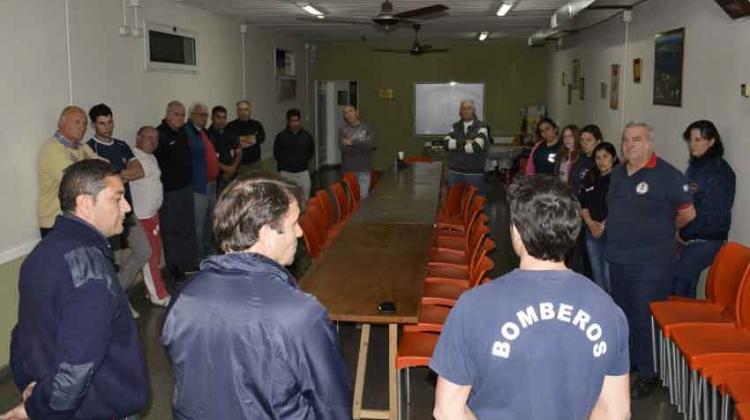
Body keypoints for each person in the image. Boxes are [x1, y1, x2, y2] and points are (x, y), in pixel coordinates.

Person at [430, 175, 630, 420]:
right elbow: (615, 411)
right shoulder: (608, 311)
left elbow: (447, 410)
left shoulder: (473, 306)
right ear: (574, 231)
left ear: (516, 232)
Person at [162, 175, 352, 419]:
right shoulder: (300, 313)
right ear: (266, 233)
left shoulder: (184, 298)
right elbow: (333, 406)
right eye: (294, 223)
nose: (300, 232)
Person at [4, 160, 148, 420]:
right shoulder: (89, 270)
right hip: (93, 408)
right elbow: (78, 363)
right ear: (85, 203)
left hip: (52, 395)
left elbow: (23, 332)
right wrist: (37, 407)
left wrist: (31, 385)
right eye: (118, 198)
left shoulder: (42, 252)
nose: (127, 207)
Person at [606, 122, 696, 399]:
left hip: (651, 262)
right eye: (625, 140)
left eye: (636, 140)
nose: (628, 145)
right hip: (619, 258)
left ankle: (649, 374)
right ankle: (629, 362)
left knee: (644, 317)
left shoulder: (668, 175)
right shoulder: (618, 173)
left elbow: (687, 214)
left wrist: (663, 231)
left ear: (649, 144)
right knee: (623, 315)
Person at [86, 104, 150, 315]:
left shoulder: (122, 145)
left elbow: (139, 171)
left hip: (127, 212)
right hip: (105, 215)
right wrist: (122, 174)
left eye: (110, 122)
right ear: (94, 125)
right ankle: (116, 302)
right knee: (110, 261)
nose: (107, 127)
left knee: (144, 251)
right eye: (102, 123)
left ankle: (118, 294)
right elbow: (98, 181)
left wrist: (114, 174)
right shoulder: (90, 148)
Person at [675, 120, 736, 298]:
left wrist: (684, 233)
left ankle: (679, 325)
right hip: (690, 236)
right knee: (682, 288)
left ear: (711, 141)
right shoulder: (695, 166)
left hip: (707, 239)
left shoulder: (719, 172)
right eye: (691, 140)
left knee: (678, 285)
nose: (693, 145)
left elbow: (713, 215)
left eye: (698, 140)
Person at [37, 106, 100, 237]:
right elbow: (74, 181)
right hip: (56, 220)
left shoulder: (83, 147)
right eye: (77, 122)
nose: (82, 127)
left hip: (79, 219)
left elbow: (105, 168)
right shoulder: (51, 149)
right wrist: (93, 170)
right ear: (61, 124)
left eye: (84, 124)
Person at [155, 100, 197, 282]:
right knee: (172, 233)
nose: (180, 118)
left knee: (188, 228)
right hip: (169, 193)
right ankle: (175, 269)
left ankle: (189, 264)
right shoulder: (160, 134)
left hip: (186, 189)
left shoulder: (183, 133)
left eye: (182, 115)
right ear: (168, 115)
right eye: (176, 114)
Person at [130, 126, 171, 306]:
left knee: (156, 254)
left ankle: (150, 290)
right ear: (138, 138)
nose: (153, 141)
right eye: (149, 138)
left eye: (156, 139)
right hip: (141, 217)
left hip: (153, 215)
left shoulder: (151, 156)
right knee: (150, 258)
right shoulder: (132, 157)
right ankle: (159, 296)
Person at [580, 142, 619, 293]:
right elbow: (583, 203)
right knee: (597, 273)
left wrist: (603, 225)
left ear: (613, 158)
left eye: (605, 157)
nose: (601, 161)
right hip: (591, 230)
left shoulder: (619, 178)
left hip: (610, 231)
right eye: (597, 158)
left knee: (608, 274)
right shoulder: (591, 177)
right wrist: (590, 223)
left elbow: (619, 205)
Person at [184, 102, 220, 258]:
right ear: (191, 116)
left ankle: (209, 250)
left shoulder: (202, 132)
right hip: (199, 186)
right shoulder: (187, 132)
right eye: (200, 114)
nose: (204, 118)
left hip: (211, 183)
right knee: (198, 225)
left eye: (205, 115)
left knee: (209, 223)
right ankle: (199, 257)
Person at [443, 99, 490, 195]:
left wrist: (455, 144)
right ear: (460, 111)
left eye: (469, 108)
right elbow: (446, 144)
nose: (466, 111)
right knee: (454, 204)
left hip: (474, 174)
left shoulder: (482, 126)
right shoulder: (455, 126)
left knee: (475, 205)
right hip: (454, 173)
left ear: (474, 110)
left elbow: (475, 147)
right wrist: (465, 141)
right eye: (463, 109)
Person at [274, 108, 315, 206]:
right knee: (287, 200)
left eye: (297, 120)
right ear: (288, 122)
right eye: (292, 121)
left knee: (305, 200)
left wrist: (302, 161)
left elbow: (311, 152)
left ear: (300, 121)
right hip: (286, 173)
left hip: (302, 172)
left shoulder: (307, 136)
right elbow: (277, 154)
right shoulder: (281, 137)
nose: (295, 123)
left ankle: (304, 219)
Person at [339, 105, 376, 199]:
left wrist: (352, 142)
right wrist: (362, 146)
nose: (348, 114)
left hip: (364, 170)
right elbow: (344, 148)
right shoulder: (342, 130)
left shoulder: (367, 128)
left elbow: (371, 145)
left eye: (350, 111)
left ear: (357, 112)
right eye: (345, 113)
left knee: (363, 199)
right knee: (350, 199)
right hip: (348, 170)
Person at [206, 105, 242, 191]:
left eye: (224, 118)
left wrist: (233, 168)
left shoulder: (231, 133)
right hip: (217, 178)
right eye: (218, 117)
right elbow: (210, 159)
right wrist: (227, 169)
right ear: (212, 118)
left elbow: (239, 152)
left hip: (233, 175)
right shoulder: (207, 136)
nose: (221, 121)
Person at [226, 100, 265, 174]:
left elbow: (261, 139)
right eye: (240, 110)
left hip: (255, 164)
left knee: (256, 185)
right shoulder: (231, 126)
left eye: (246, 109)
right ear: (237, 112)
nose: (243, 112)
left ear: (250, 111)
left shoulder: (257, 125)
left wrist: (240, 139)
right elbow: (231, 142)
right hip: (239, 165)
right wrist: (251, 139)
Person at [570, 124, 604, 197]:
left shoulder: (602, 162)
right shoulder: (580, 158)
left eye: (589, 140)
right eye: (582, 140)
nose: (584, 143)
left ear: (598, 141)